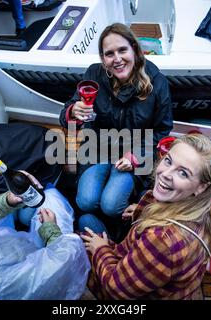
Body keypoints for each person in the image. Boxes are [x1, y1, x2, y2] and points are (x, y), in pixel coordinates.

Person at [59, 23, 173, 237]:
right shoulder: (94, 75)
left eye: (122, 50)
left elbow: (162, 130)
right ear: (103, 59)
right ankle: (99, 226)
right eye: (109, 54)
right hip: (98, 150)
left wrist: (136, 157)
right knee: (86, 200)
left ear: (134, 50)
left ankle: (120, 231)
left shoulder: (157, 82)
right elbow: (67, 116)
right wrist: (73, 112)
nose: (117, 59)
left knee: (111, 204)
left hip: (133, 156)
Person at [81, 134, 211, 299]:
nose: (165, 174)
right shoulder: (204, 210)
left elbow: (115, 290)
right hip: (161, 284)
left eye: (183, 173)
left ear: (201, 186)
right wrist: (140, 210)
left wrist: (100, 249)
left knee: (83, 226)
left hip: (118, 289)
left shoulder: (162, 240)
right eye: (168, 161)